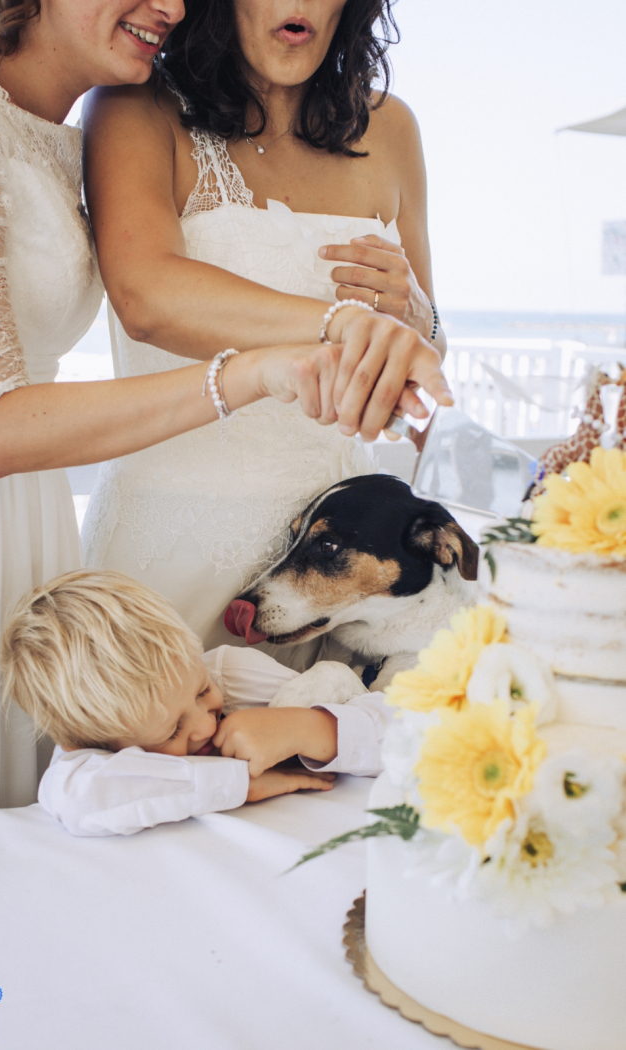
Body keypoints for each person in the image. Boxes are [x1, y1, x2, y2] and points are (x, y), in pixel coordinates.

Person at [0, 0, 418, 817]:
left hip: (23, 517)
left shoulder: (56, 127)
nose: (172, 5)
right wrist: (259, 368)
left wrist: (413, 319)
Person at [80, 0, 452, 657]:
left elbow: (425, 356)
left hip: (336, 579)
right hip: (175, 550)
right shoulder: (134, 105)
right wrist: (343, 327)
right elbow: (145, 297)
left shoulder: (393, 126)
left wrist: (416, 318)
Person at [1, 569, 394, 836]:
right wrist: (240, 784)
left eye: (202, 691)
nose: (206, 726)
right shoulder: (87, 762)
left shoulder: (231, 673)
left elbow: (412, 731)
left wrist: (308, 728)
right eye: (172, 730)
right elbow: (73, 799)